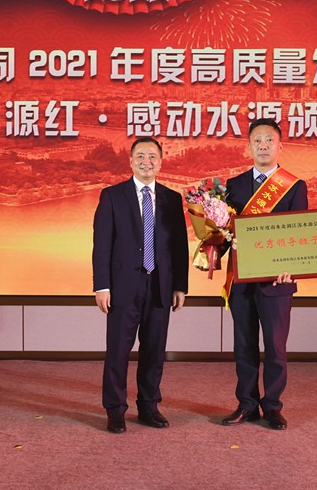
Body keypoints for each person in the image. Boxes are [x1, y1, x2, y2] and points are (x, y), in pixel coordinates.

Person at [92, 137, 189, 434]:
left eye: (153, 157)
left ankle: (148, 406)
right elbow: (102, 244)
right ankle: (115, 409)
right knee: (118, 351)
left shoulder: (172, 199)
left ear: (161, 161)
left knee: (154, 350)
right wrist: (102, 286)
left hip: (161, 285)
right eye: (141, 156)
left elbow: (179, 246)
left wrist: (180, 285)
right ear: (131, 161)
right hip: (122, 286)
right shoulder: (112, 196)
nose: (147, 162)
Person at [221, 118, 308, 431]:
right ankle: (246, 404)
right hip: (242, 281)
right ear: (248, 147)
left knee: (275, 349)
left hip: (277, 283)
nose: (263, 145)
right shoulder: (233, 186)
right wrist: (215, 241)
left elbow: (300, 233)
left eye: (269, 140)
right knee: (243, 347)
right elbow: (224, 231)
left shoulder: (295, 186)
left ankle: (272, 406)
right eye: (257, 140)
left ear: (280, 146)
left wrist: (292, 267)